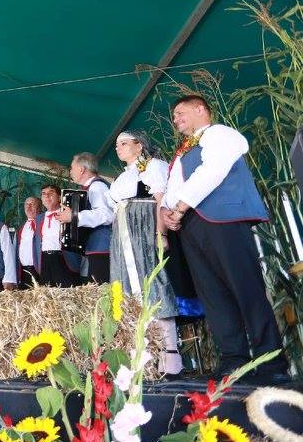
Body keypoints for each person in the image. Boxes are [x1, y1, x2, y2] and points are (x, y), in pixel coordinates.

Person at [161, 94, 289, 384]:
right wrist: (168, 212)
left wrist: (179, 206)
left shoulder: (220, 133)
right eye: (174, 116)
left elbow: (213, 171)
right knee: (213, 295)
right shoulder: (182, 151)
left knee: (246, 288)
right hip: (191, 226)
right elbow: (173, 187)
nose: (176, 119)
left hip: (223, 221)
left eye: (180, 112)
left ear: (200, 109)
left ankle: (271, 361)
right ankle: (234, 360)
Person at [109, 130, 182, 376]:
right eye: (117, 144)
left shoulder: (154, 166)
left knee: (153, 282)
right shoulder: (122, 177)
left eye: (123, 143)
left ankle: (169, 356)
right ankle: (139, 356)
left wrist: (160, 233)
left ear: (139, 145)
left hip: (143, 227)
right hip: (123, 234)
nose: (118, 148)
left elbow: (162, 200)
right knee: (126, 288)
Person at [57, 152, 113, 283]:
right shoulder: (90, 187)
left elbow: (106, 214)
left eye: (72, 168)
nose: (70, 172)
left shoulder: (97, 186)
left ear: (82, 169)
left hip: (102, 248)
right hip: (96, 247)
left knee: (101, 287)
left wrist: (74, 217)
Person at [37, 184, 83, 287]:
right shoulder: (39, 218)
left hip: (64, 259)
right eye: (44, 194)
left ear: (59, 197)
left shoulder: (68, 214)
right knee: (47, 294)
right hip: (45, 260)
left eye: (51, 193)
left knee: (67, 292)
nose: (47, 196)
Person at [16, 197, 42, 287]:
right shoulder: (22, 227)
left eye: (32, 204)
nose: (28, 207)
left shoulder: (43, 224)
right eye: (26, 204)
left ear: (39, 207)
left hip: (39, 270)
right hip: (24, 271)